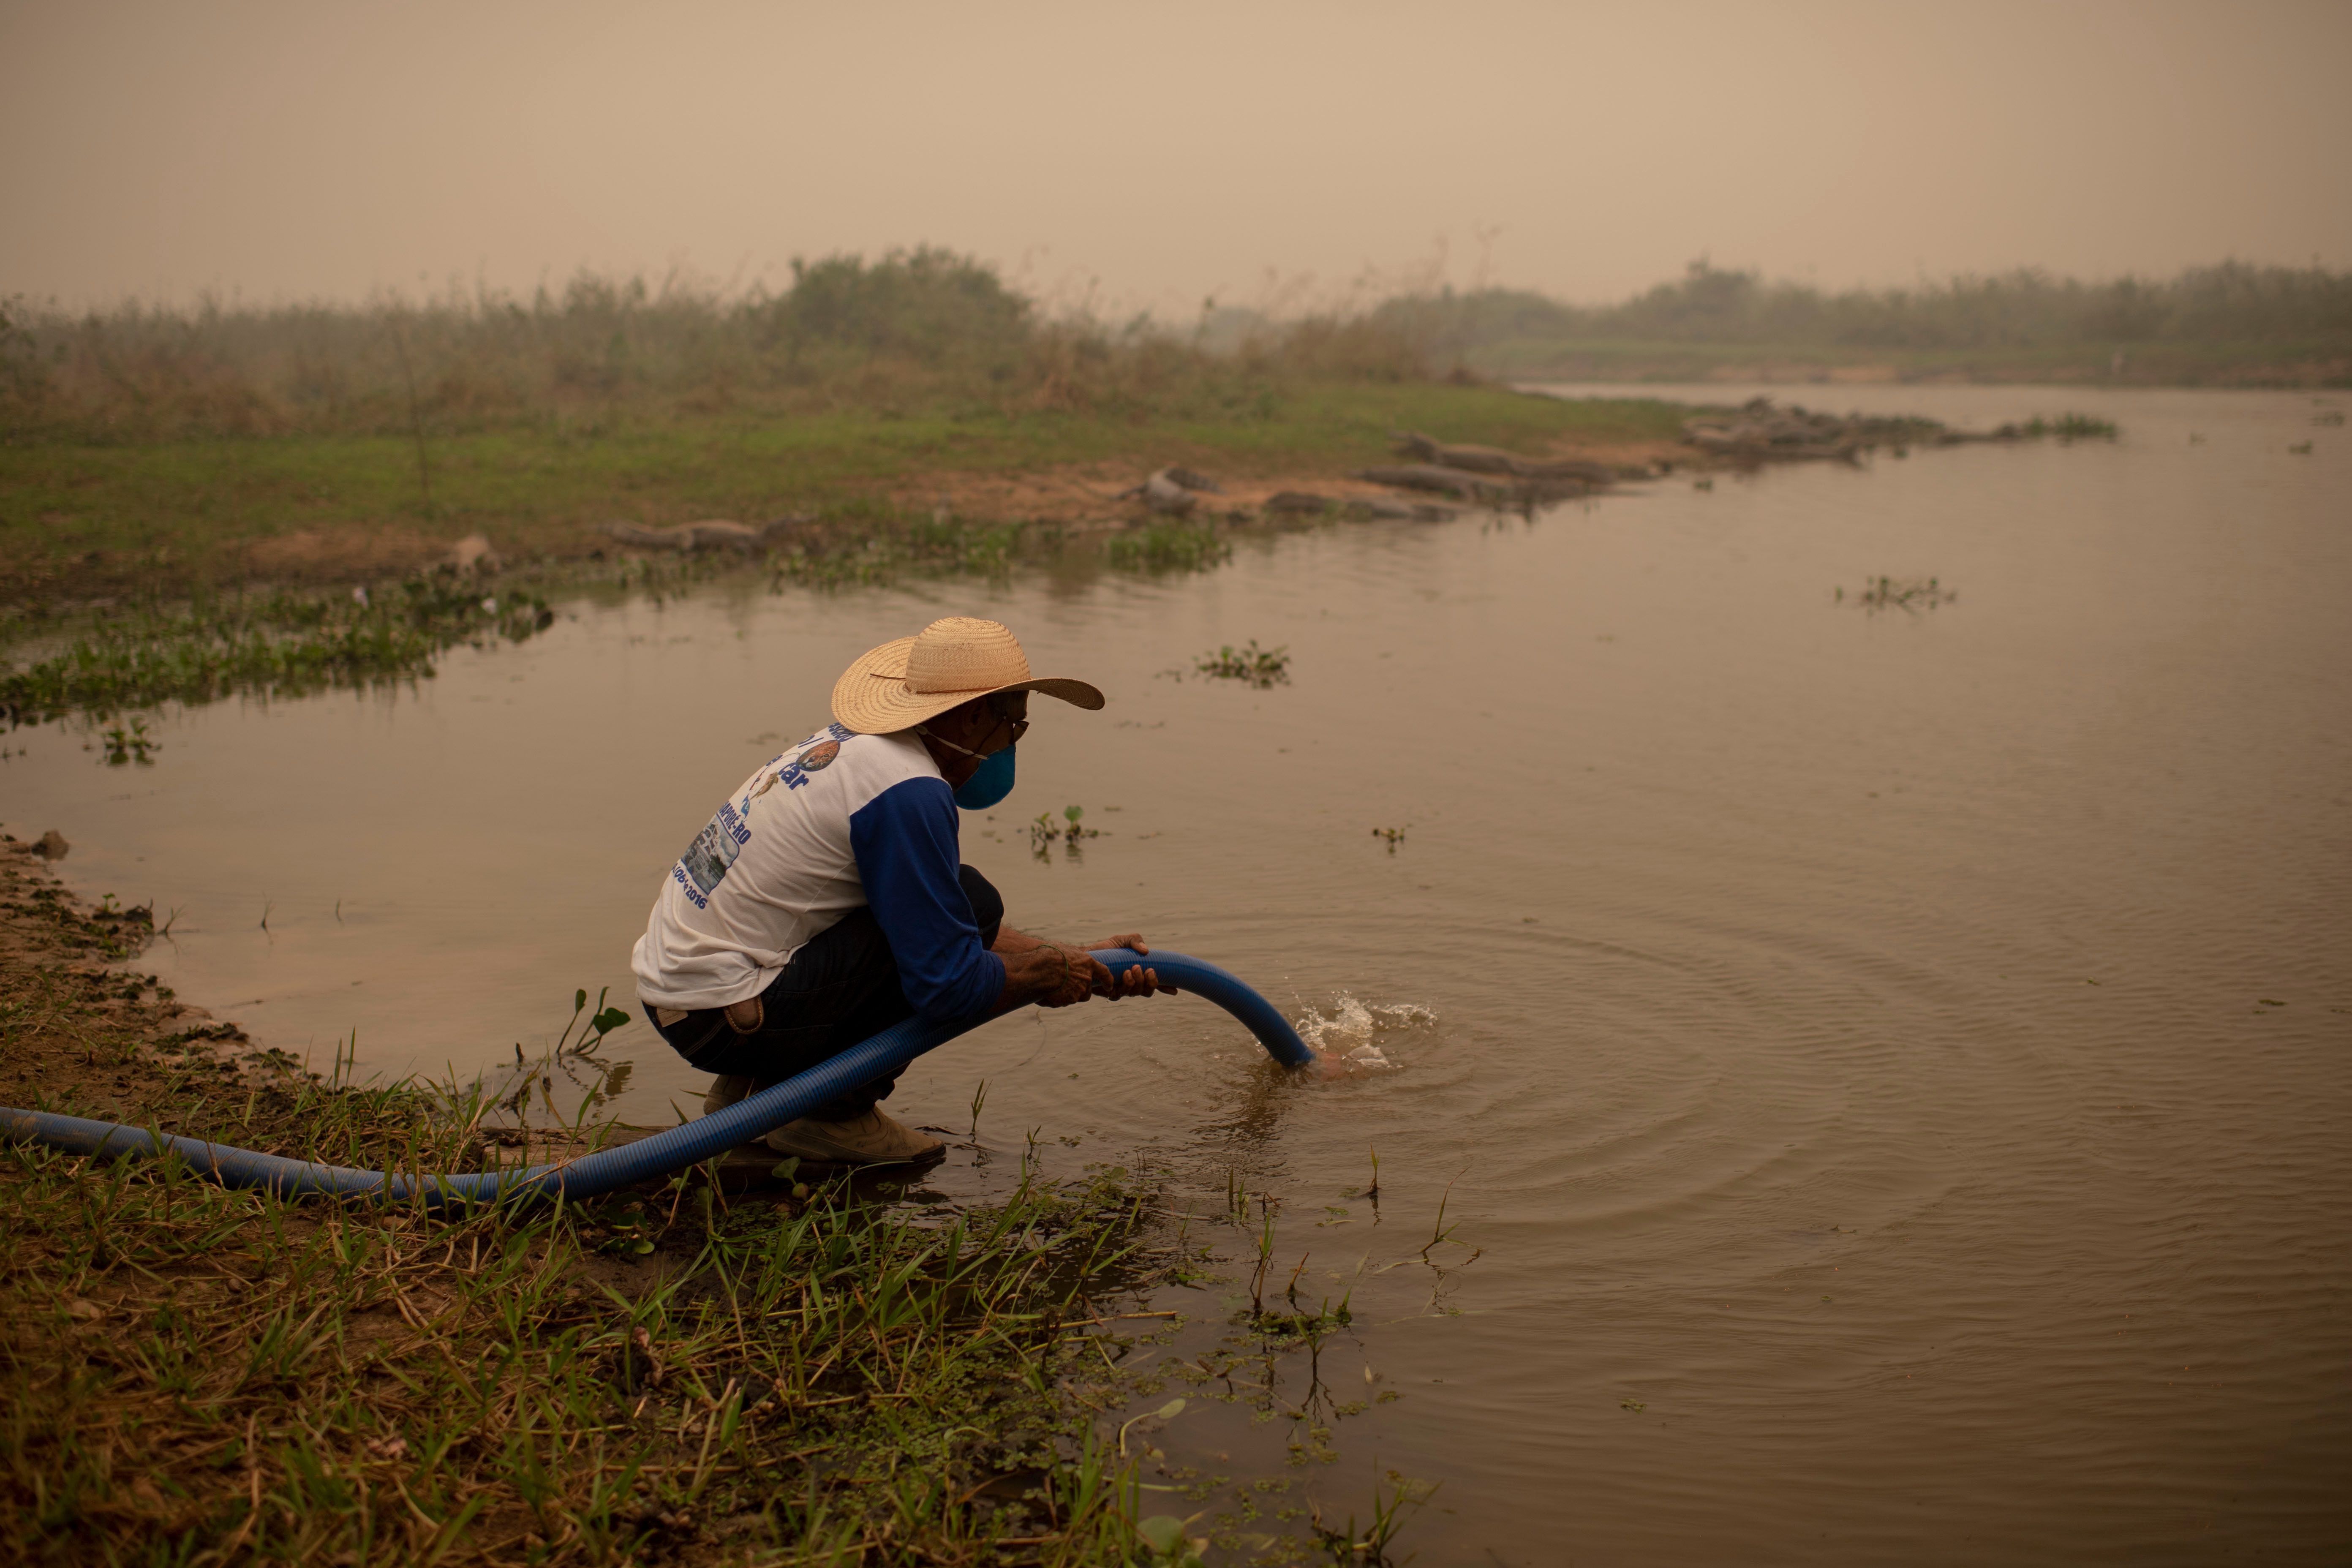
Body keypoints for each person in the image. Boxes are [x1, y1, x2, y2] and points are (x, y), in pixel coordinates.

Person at [632, 616, 1171, 1165]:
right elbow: (949, 986)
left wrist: (1071, 958)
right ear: (977, 715)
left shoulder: (854, 750)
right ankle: (833, 1116)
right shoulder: (908, 790)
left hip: (690, 1001)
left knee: (968, 901)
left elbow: (927, 916)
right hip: (727, 1016)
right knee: (973, 908)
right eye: (1017, 727)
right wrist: (1048, 974)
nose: (1014, 744)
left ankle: (755, 1092)